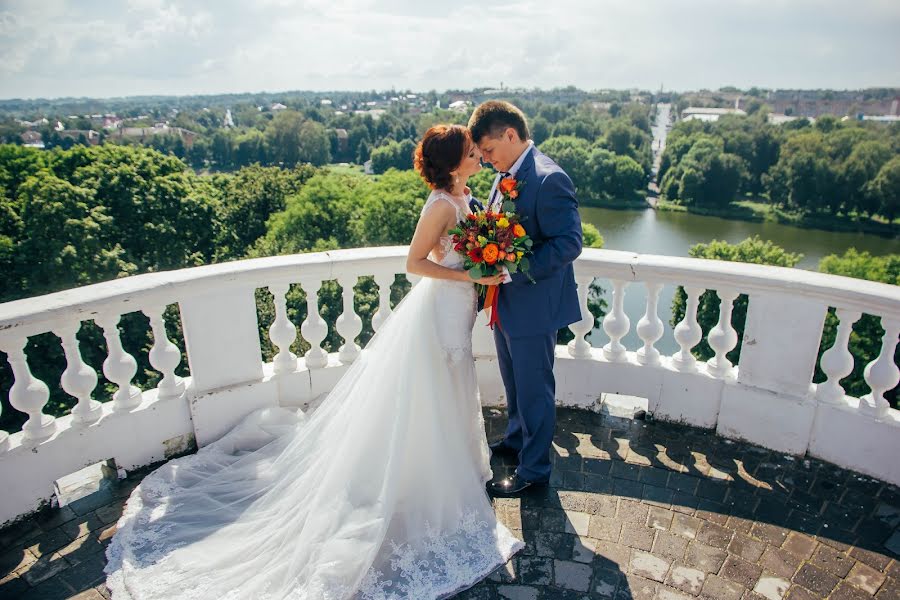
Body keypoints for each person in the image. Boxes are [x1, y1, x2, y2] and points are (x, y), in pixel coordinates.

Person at [105, 124, 522, 599]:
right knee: (433, 390)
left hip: (458, 308)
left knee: (451, 387)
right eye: (471, 153)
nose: (478, 157)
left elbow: (465, 248)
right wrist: (467, 269)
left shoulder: (466, 197)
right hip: (439, 312)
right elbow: (413, 263)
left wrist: (482, 264)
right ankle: (420, 487)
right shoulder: (442, 205)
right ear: (451, 163)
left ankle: (455, 475)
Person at [468, 101, 583, 497]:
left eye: (488, 150)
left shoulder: (550, 179)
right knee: (515, 384)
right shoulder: (505, 174)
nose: (485, 159)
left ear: (511, 135)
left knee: (535, 391)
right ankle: (517, 442)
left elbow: (569, 244)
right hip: (506, 304)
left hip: (534, 307)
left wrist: (516, 267)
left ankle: (534, 470)